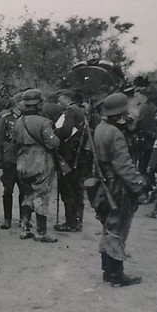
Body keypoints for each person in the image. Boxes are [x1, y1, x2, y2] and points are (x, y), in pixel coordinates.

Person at [91, 92, 147, 286]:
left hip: (105, 182)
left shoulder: (101, 127)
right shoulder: (115, 133)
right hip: (118, 185)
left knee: (109, 227)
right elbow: (124, 165)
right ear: (122, 112)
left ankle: (108, 271)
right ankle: (116, 275)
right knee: (118, 229)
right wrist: (139, 186)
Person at [13, 88, 60, 242]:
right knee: (41, 195)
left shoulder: (18, 122)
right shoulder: (44, 122)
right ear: (38, 103)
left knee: (27, 195)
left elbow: (14, 141)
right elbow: (52, 143)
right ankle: (41, 232)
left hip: (22, 161)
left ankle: (25, 229)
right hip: (41, 161)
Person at [53, 89, 90, 232]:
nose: (58, 103)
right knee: (77, 189)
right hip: (79, 157)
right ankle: (77, 221)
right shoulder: (81, 111)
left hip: (69, 157)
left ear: (67, 98)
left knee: (67, 189)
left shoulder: (70, 111)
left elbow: (65, 132)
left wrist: (54, 131)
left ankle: (71, 222)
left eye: (60, 100)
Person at [0, 92, 25, 229]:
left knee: (24, 190)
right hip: (9, 159)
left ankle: (24, 219)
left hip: (23, 158)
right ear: (17, 103)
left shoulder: (27, 117)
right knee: (8, 190)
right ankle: (7, 219)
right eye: (23, 102)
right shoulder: (5, 117)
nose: (25, 104)